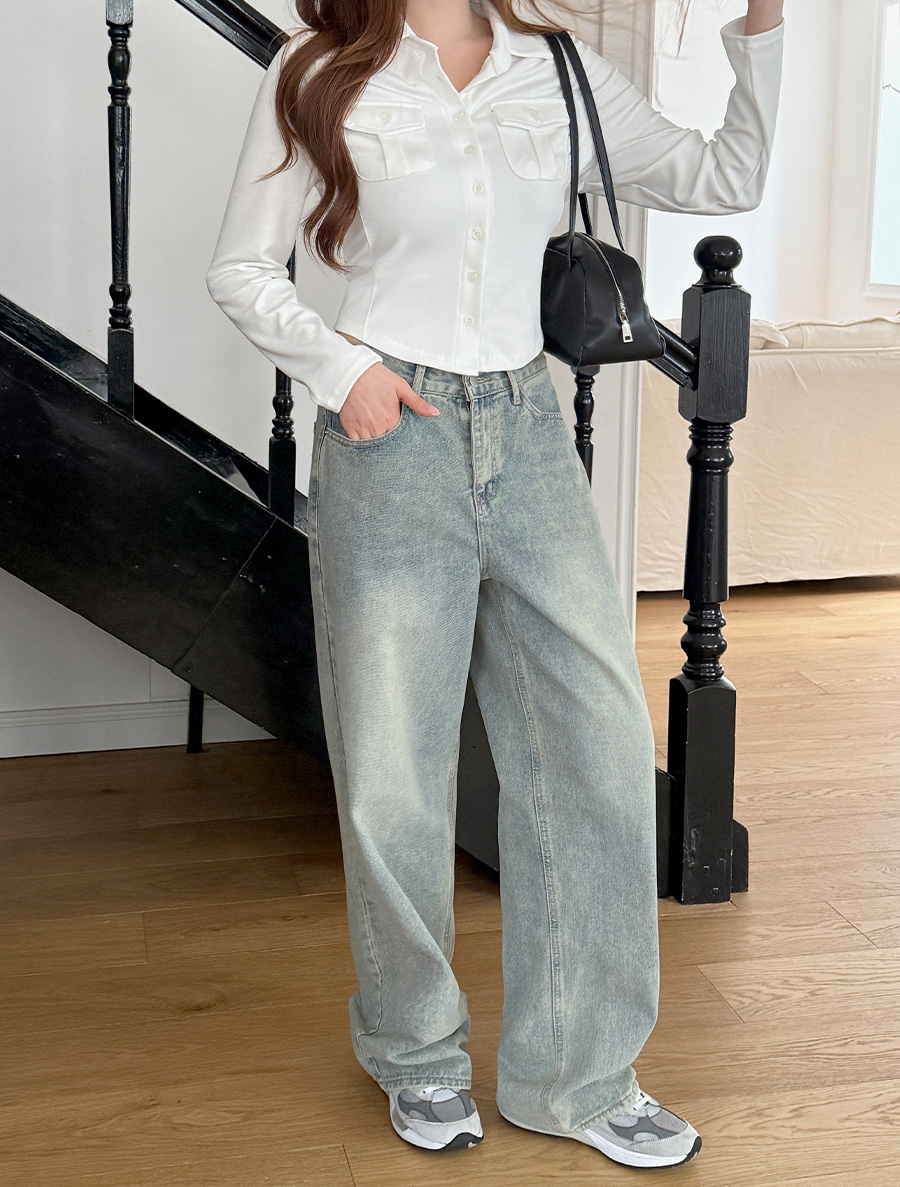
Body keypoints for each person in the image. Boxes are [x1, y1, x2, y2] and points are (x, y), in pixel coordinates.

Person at [205, 0, 785, 1169]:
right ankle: (416, 1051)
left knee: (597, 745)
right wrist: (341, 368)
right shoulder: (321, 69)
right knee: (394, 769)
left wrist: (764, 24)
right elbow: (239, 266)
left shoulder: (558, 68)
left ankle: (578, 1073)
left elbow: (725, 176)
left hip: (526, 428)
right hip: (391, 435)